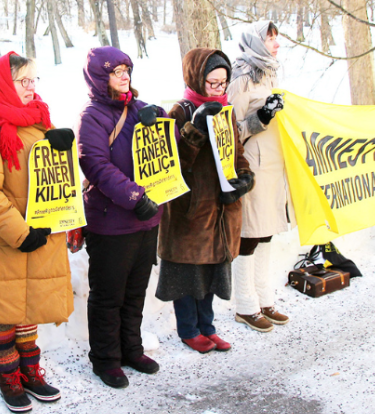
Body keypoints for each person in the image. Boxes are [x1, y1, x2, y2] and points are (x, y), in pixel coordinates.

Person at [0, 51, 74, 413]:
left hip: (36, 233)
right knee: (3, 312)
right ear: (3, 83)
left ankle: (31, 372)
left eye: (33, 80)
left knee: (27, 308)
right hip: (0, 238)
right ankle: (8, 377)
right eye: (23, 81)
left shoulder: (38, 121)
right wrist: (19, 233)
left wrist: (59, 148)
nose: (30, 87)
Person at [75, 46, 165, 388]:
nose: (124, 75)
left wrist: (160, 120)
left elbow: (161, 153)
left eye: (127, 69)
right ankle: (105, 358)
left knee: (135, 291)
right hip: (111, 220)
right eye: (116, 71)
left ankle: (131, 348)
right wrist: (133, 195)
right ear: (101, 77)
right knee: (109, 294)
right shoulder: (92, 116)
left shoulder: (139, 108)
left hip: (146, 219)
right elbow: (95, 165)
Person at [156, 48, 254, 353]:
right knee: (189, 273)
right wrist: (194, 129)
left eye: (223, 83)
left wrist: (245, 179)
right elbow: (173, 164)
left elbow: (238, 155)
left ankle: (208, 326)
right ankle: (188, 329)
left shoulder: (227, 110)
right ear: (198, 79)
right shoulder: (180, 111)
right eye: (212, 83)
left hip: (221, 209)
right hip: (190, 208)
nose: (218, 89)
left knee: (211, 271)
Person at [227, 21, 290, 333]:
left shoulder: (270, 73)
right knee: (249, 236)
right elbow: (230, 131)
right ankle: (245, 306)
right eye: (270, 38)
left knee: (266, 233)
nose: (276, 44)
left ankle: (266, 300)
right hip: (253, 167)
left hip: (274, 167)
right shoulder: (240, 79)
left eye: (277, 38)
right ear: (255, 41)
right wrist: (261, 117)